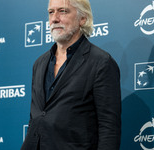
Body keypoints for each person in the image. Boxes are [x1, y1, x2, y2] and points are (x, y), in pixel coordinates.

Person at [21, 0, 121, 149]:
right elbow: (36, 118)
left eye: (63, 11)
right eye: (51, 12)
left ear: (83, 18)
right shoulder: (39, 64)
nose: (54, 18)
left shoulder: (101, 62)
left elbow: (109, 130)